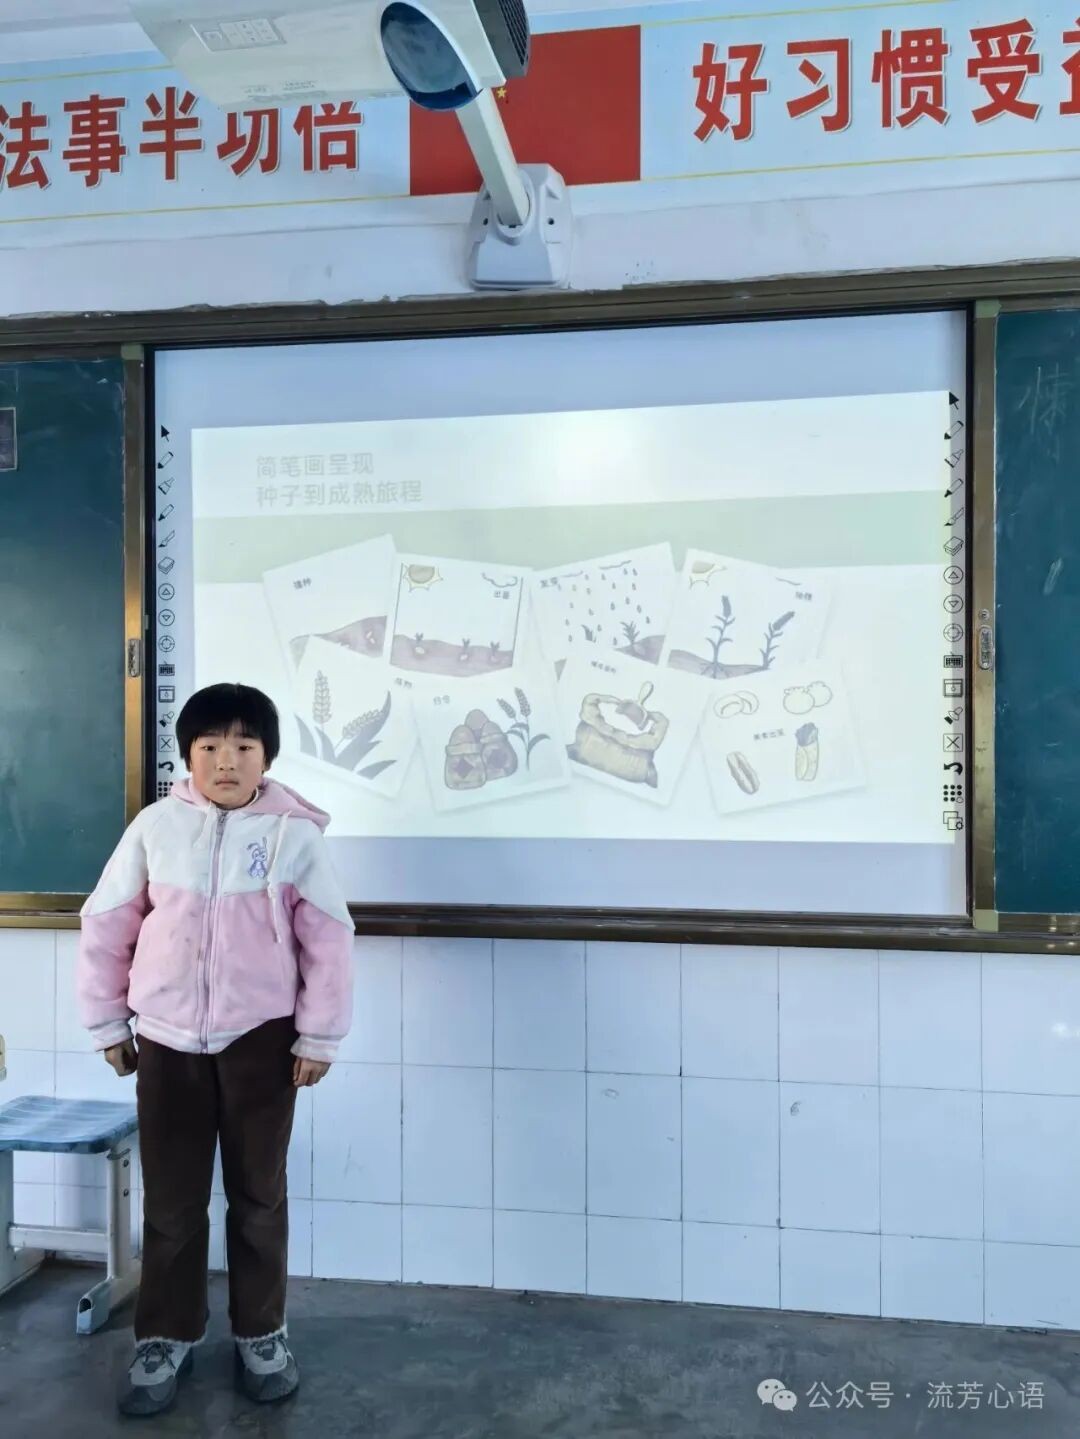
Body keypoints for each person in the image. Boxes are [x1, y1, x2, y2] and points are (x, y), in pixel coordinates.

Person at [77, 683, 353, 1418]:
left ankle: (262, 1334)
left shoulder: (295, 837)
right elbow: (106, 923)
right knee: (173, 1200)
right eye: (209, 746)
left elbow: (329, 941)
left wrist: (319, 1034)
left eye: (243, 746)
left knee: (259, 1196)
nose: (225, 761)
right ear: (188, 756)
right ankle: (164, 1337)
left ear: (267, 757)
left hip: (263, 1041)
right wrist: (109, 1024)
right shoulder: (155, 828)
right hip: (167, 1042)